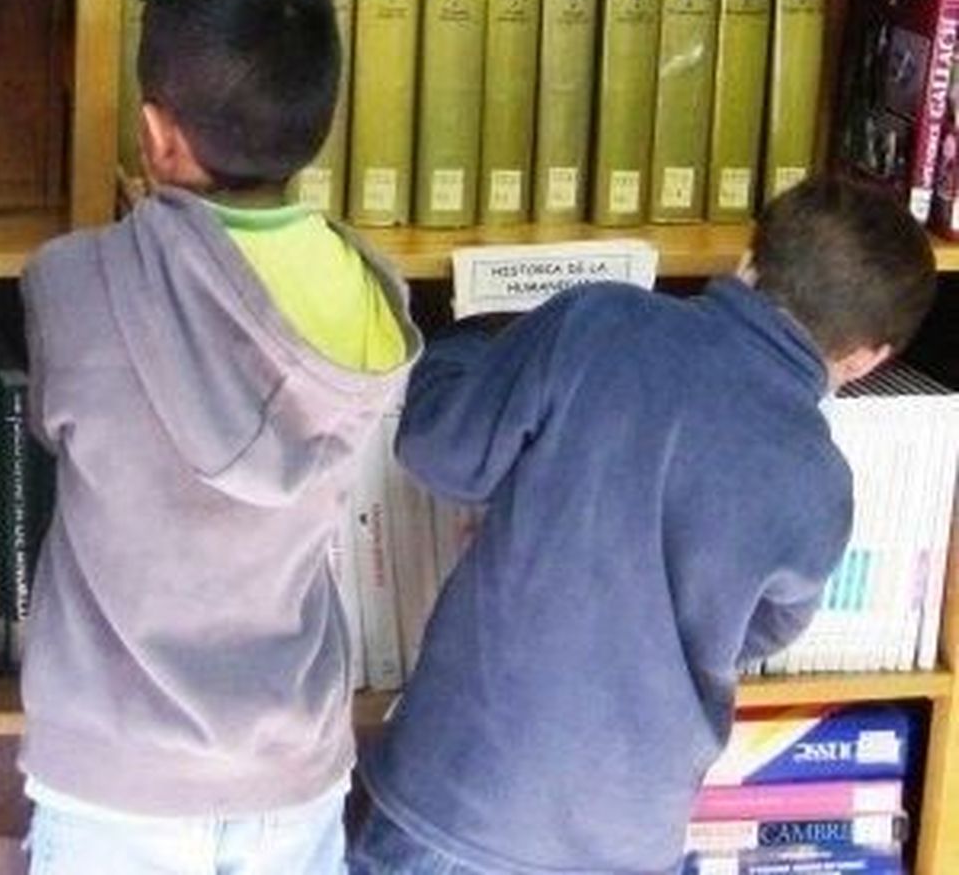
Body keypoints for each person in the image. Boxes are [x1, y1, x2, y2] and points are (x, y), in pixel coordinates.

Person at [352, 176, 938, 875]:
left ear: (746, 262)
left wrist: (460, 347)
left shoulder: (599, 323)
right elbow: (765, 628)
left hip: (456, 802)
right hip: (630, 835)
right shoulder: (822, 483)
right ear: (870, 358)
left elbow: (438, 448)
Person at [18, 0, 422, 875]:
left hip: (115, 770)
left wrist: (153, 236)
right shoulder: (374, 293)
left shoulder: (78, 282)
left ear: (158, 136)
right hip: (293, 768)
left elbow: (61, 420)